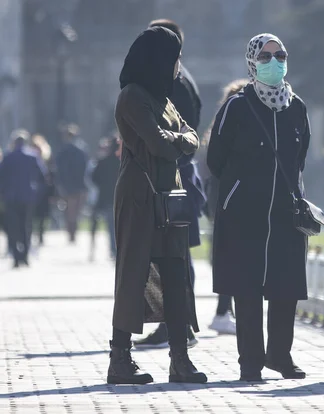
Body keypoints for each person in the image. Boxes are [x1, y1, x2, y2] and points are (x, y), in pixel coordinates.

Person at [207, 33, 310, 382]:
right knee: (247, 289)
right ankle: (250, 362)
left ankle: (280, 356)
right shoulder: (236, 106)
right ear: (252, 62)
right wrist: (241, 188)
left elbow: (300, 157)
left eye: (279, 55)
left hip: (286, 213)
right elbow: (215, 159)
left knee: (285, 288)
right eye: (265, 56)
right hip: (243, 214)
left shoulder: (297, 107)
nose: (273, 62)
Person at [109, 26, 205, 385]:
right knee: (134, 276)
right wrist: (177, 140)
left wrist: (176, 139)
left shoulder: (163, 99)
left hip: (170, 198)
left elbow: (191, 138)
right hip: (139, 197)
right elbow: (160, 144)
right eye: (176, 57)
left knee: (176, 277)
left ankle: (180, 359)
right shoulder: (132, 97)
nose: (179, 65)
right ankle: (119, 359)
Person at [133, 19, 207, 348]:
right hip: (178, 175)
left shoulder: (173, 81)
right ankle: (178, 322)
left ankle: (178, 323)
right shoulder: (181, 77)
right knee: (175, 256)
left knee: (173, 256)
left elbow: (175, 133)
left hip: (172, 179)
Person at [199, 79, 247, 335]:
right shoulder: (232, 124)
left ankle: (226, 311)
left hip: (218, 197)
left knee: (228, 255)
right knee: (234, 256)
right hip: (228, 197)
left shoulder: (216, 126)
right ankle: (223, 312)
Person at [0, 130, 46, 268]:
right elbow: (42, 176)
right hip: (28, 197)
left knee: (12, 227)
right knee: (26, 226)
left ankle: (16, 256)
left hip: (11, 197)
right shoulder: (33, 156)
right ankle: (25, 255)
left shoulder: (8, 157)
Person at [55, 124, 88, 243]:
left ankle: (71, 231)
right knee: (75, 209)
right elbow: (84, 168)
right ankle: (73, 231)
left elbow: (58, 169)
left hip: (67, 184)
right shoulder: (80, 151)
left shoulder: (63, 151)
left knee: (69, 210)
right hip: (78, 184)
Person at [91, 136, 121, 259]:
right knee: (119, 225)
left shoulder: (103, 162)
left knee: (111, 225)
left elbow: (94, 178)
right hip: (120, 196)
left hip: (106, 197)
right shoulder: (122, 162)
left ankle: (113, 249)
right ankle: (117, 248)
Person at [29, 134, 55, 246]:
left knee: (42, 216)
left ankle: (40, 235)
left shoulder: (47, 160)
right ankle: (32, 234)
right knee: (31, 216)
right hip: (32, 192)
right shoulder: (29, 159)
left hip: (43, 192)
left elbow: (51, 178)